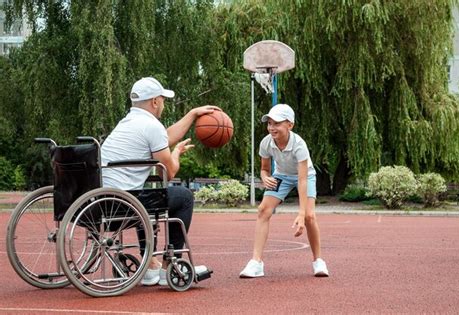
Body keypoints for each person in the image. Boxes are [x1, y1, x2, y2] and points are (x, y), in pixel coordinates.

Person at [101, 77, 218, 286]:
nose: (163, 104)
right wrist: (176, 154)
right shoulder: (150, 125)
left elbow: (163, 137)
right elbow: (169, 172)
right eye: (163, 100)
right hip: (125, 204)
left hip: (103, 203)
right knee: (183, 196)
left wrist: (192, 115)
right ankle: (168, 267)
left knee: (148, 195)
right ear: (155, 102)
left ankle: (149, 265)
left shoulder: (128, 123)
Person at [239, 104, 329, 278]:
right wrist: (264, 177)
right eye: (270, 123)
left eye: (277, 123)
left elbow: (302, 180)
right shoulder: (266, 142)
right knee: (263, 210)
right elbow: (264, 169)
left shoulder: (299, 145)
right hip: (282, 175)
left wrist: (301, 214)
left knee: (310, 216)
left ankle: (318, 261)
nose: (272, 128)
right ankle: (256, 263)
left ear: (290, 125)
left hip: (305, 176)